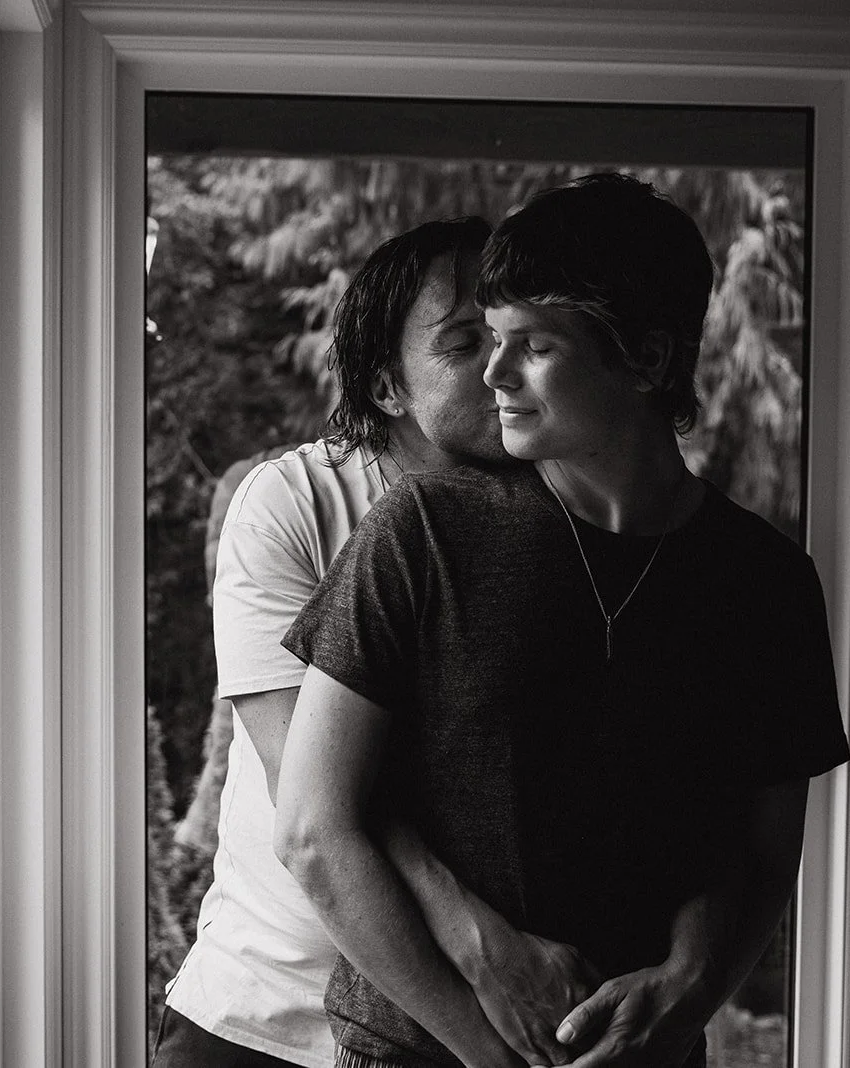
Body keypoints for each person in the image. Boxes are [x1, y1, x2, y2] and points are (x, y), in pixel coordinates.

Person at [275, 174, 850, 1068]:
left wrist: (689, 993)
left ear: (648, 358)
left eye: (533, 345)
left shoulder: (767, 583)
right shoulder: (423, 533)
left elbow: (764, 854)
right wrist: (490, 1053)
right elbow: (314, 834)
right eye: (488, 338)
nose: (494, 373)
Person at [156, 218, 597, 1068]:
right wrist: (471, 936)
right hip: (270, 1014)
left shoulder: (570, 512)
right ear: (389, 385)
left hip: (475, 1025)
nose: (501, 366)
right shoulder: (291, 504)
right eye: (464, 341)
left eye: (515, 335)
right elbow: (311, 801)